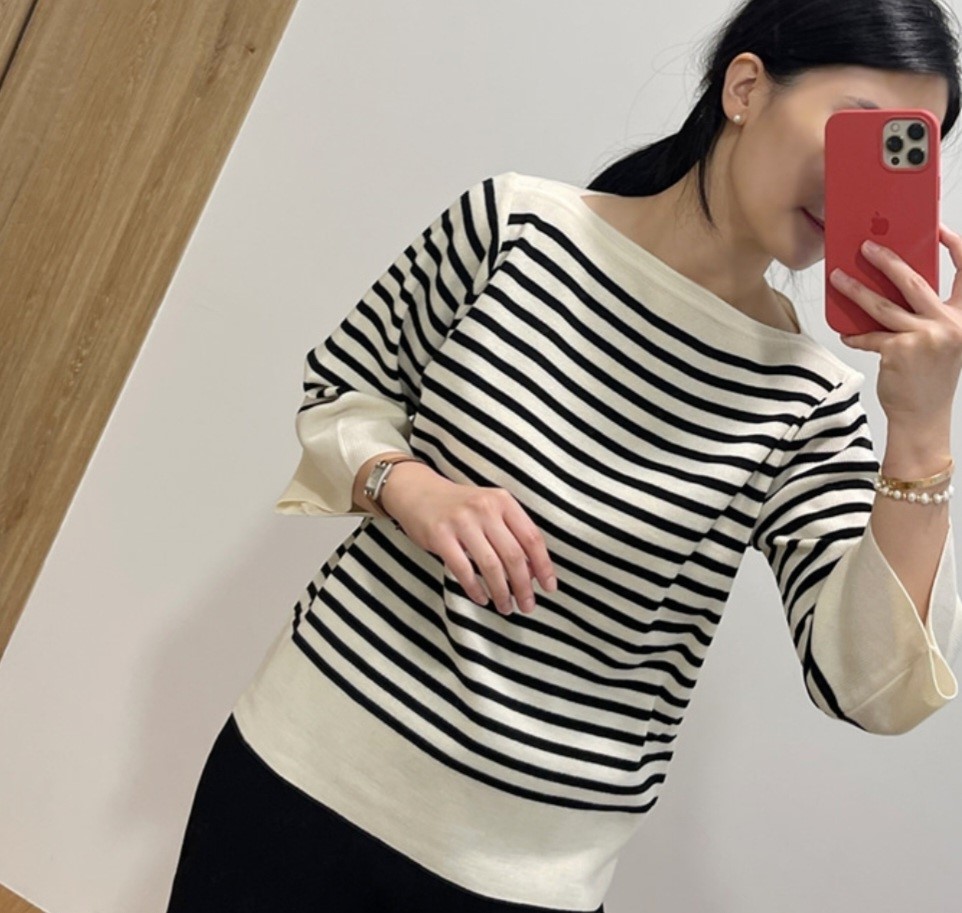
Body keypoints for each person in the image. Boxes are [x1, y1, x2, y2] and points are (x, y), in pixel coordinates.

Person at [164, 0, 962, 910]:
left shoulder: (810, 402)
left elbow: (871, 688)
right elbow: (345, 392)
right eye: (859, 127)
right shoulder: (513, 226)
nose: (866, 175)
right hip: (298, 771)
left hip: (520, 873)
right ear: (745, 88)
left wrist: (922, 426)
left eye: (907, 149)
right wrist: (411, 487)